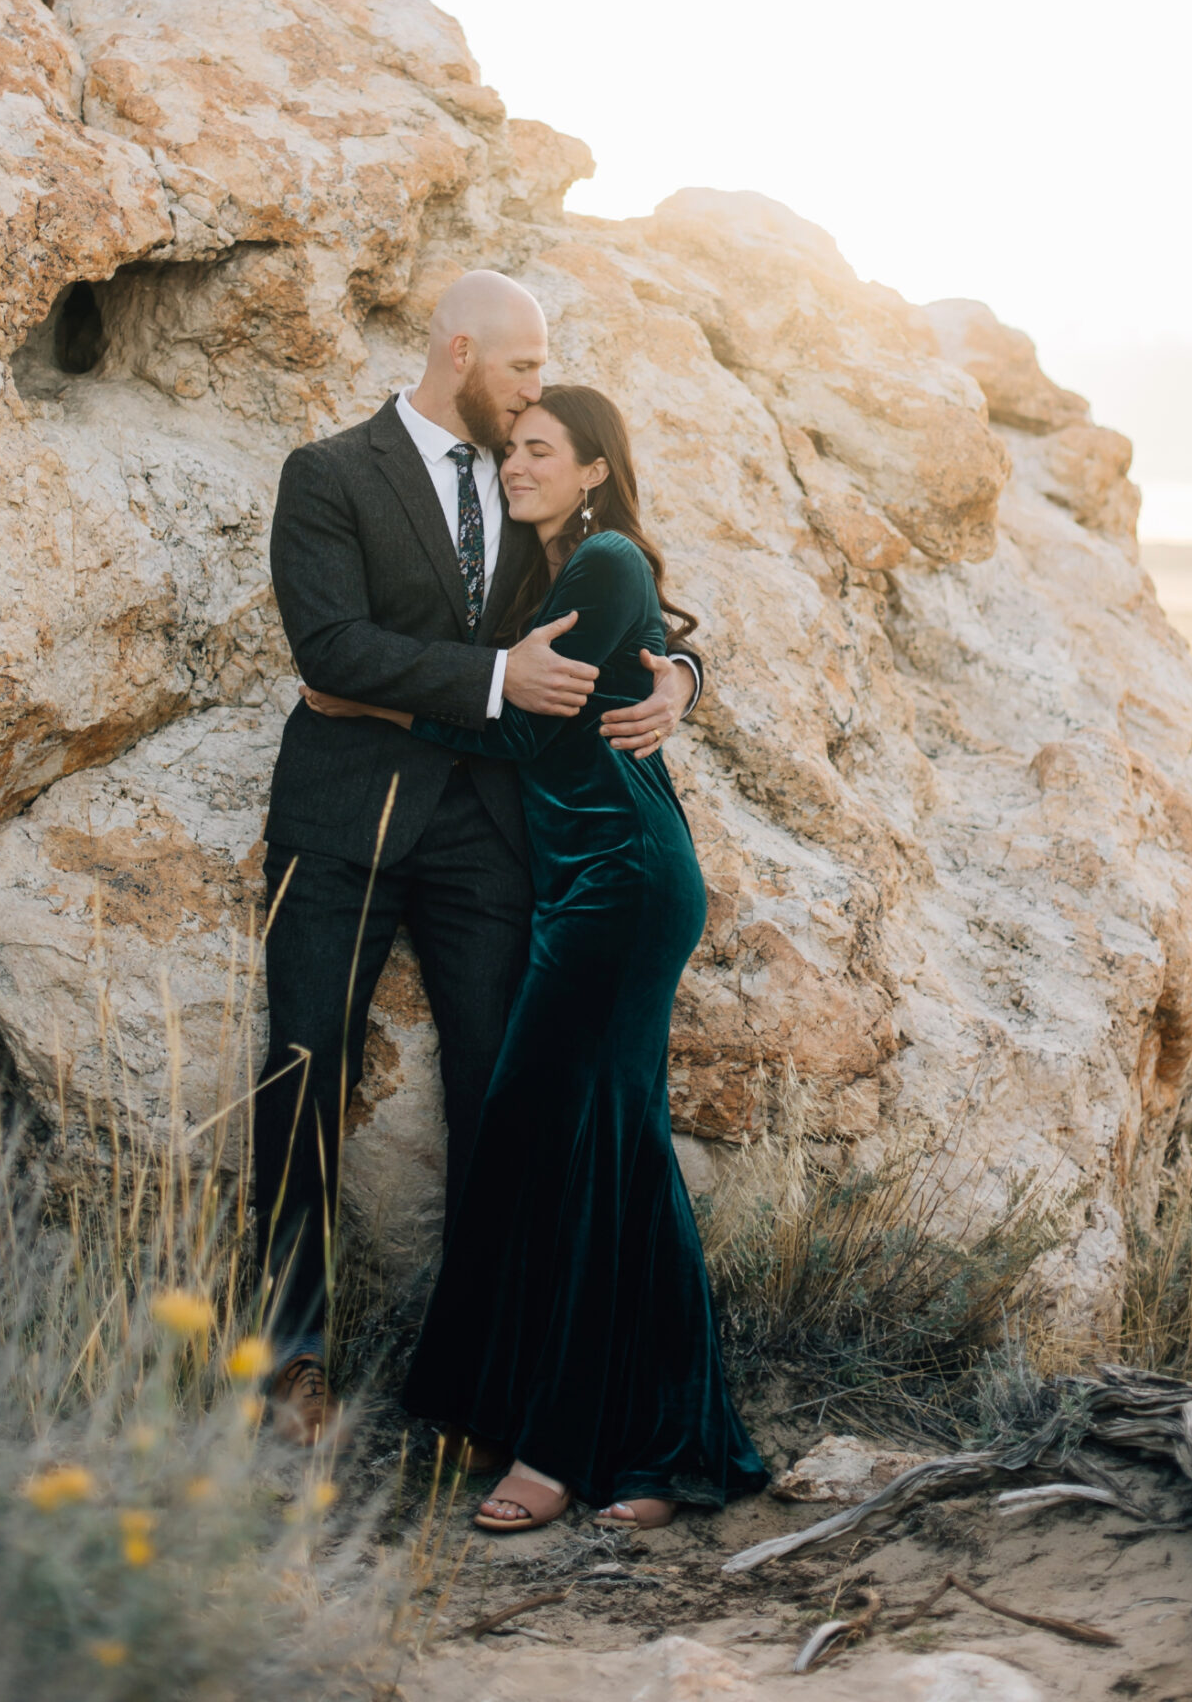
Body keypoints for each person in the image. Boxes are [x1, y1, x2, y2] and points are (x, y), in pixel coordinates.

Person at [302, 384, 765, 1530]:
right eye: (510, 449)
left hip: (621, 884)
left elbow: (520, 724)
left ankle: (557, 1450)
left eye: (541, 449)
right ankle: (656, 1453)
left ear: (596, 467)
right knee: (612, 1154)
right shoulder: (556, 571)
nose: (515, 464)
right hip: (576, 889)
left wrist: (370, 706)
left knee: (549, 1145)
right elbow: (638, 654)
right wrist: (675, 674)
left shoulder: (601, 561)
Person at [258, 274, 704, 1445]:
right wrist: (496, 678)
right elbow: (329, 647)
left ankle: (486, 1375)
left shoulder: (530, 481)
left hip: (491, 837)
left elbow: (640, 596)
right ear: (460, 351)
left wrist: (680, 678)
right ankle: (286, 1358)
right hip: (338, 821)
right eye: (520, 367)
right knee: (302, 1071)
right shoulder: (328, 475)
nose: (531, 389)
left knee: (493, 1095)